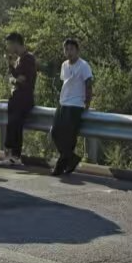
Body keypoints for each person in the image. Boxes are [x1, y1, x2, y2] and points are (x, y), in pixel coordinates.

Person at [50, 38, 93, 176]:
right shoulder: (64, 65)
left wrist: (87, 102)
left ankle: (60, 166)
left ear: (77, 50)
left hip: (75, 105)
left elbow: (88, 84)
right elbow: (66, 83)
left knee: (69, 136)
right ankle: (72, 158)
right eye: (66, 49)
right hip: (63, 102)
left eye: (71, 49)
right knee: (55, 132)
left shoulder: (84, 65)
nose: (69, 52)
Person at [3, 32, 37, 166]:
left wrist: (14, 78)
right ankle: (12, 156)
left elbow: (22, 80)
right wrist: (14, 75)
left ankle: (15, 156)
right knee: (12, 126)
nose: (8, 48)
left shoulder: (28, 59)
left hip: (23, 99)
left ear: (16, 43)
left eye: (9, 44)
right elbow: (16, 78)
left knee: (15, 125)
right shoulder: (19, 59)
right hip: (16, 98)